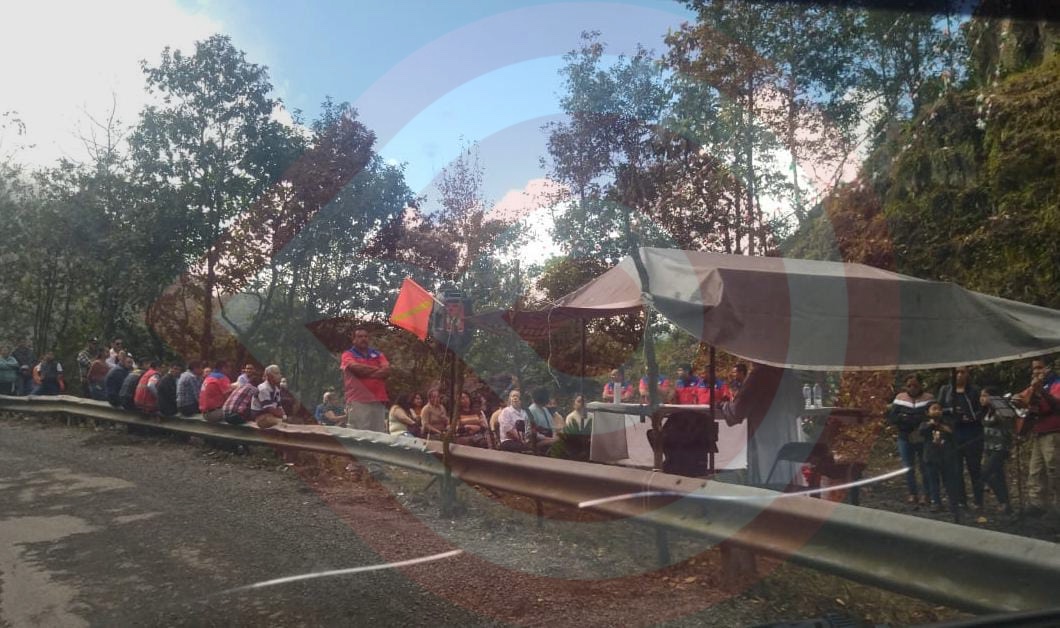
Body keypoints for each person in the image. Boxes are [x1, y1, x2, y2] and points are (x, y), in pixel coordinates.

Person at [717, 363, 806, 485]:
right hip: (787, 438)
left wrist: (724, 406)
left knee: (767, 482)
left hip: (764, 441)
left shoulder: (759, 375)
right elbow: (800, 407)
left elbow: (738, 411)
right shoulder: (790, 375)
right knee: (786, 480)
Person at [1016, 357, 1060, 518]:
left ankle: (1057, 504)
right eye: (1034, 368)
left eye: (1040, 368)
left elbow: (1056, 405)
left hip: (1054, 432)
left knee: (1054, 469)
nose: (1036, 371)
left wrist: (1041, 391)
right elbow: (1022, 398)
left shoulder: (1057, 384)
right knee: (1036, 470)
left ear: (1049, 368)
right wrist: (1017, 400)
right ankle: (1038, 503)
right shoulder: (1034, 387)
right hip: (1039, 431)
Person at [938, 366, 984, 509]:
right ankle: (961, 500)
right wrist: (950, 411)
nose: (959, 375)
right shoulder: (945, 390)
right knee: (956, 468)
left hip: (972, 432)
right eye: (956, 372)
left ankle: (978, 500)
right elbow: (938, 408)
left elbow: (982, 409)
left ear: (967, 374)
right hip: (953, 432)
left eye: (962, 372)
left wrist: (972, 417)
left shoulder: (974, 390)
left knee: (974, 468)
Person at [887, 375, 934, 506]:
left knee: (925, 466)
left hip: (923, 437)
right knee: (908, 466)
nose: (912, 388)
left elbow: (930, 416)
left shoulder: (928, 398)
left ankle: (927, 494)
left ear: (921, 385)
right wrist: (905, 419)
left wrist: (909, 417)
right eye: (909, 386)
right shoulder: (900, 398)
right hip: (905, 436)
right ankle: (912, 493)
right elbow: (892, 417)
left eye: (915, 385)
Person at [340, 326, 391, 432]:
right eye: (360, 336)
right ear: (353, 339)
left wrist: (364, 373)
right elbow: (356, 368)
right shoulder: (348, 354)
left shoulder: (378, 354)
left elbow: (387, 371)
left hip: (378, 399)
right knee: (359, 434)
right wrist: (377, 370)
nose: (363, 339)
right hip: (358, 400)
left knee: (379, 434)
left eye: (366, 336)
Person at [919, 401, 961, 518]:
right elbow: (922, 432)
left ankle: (953, 503)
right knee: (933, 481)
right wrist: (932, 424)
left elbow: (952, 433)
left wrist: (941, 425)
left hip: (946, 456)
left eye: (939, 409)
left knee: (949, 481)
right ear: (927, 412)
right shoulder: (924, 424)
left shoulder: (947, 422)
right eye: (934, 409)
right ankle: (936, 502)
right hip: (931, 457)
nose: (937, 411)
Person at [979, 386, 1014, 516]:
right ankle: (1005, 503)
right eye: (981, 396)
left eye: (985, 396)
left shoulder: (1001, 409)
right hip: (989, 446)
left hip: (1000, 447)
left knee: (986, 472)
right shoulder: (985, 411)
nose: (982, 399)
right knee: (998, 475)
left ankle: (1003, 501)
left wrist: (998, 404)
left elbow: (1008, 420)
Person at [526, 386, 561, 453]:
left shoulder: (545, 409)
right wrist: (548, 439)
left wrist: (554, 437)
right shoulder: (531, 410)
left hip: (548, 438)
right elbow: (530, 433)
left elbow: (552, 427)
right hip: (535, 442)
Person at [251, 364, 287, 429]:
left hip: (270, 414)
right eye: (276, 373)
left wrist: (284, 415)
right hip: (260, 416)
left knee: (291, 420)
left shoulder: (276, 389)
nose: (280, 376)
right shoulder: (263, 388)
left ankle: (280, 422)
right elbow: (269, 408)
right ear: (269, 376)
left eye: (279, 373)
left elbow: (279, 406)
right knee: (268, 420)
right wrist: (283, 417)